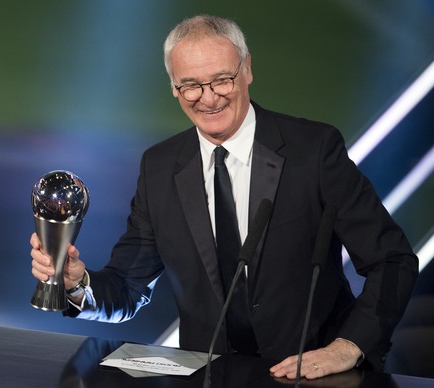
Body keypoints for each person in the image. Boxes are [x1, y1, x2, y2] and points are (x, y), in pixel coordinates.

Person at [30, 15, 418, 380]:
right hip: (212, 379)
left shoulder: (313, 151)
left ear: (247, 69)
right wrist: (79, 284)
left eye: (221, 80)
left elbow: (393, 260)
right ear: (174, 87)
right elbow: (128, 288)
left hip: (313, 376)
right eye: (191, 85)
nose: (208, 98)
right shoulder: (160, 167)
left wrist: (346, 348)